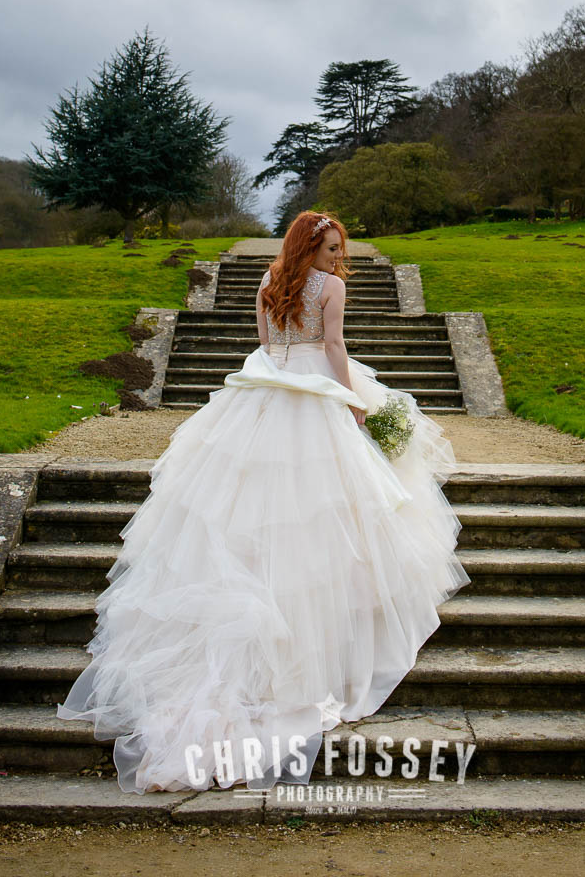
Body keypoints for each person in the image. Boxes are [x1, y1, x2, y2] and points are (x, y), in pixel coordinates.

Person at [56, 209, 470, 794]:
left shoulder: (270, 281)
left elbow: (268, 345)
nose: (337, 257)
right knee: (333, 503)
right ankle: (318, 632)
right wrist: (351, 400)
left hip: (266, 389)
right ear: (311, 246)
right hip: (313, 389)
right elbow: (333, 345)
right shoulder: (331, 289)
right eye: (330, 248)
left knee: (250, 498)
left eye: (338, 248)